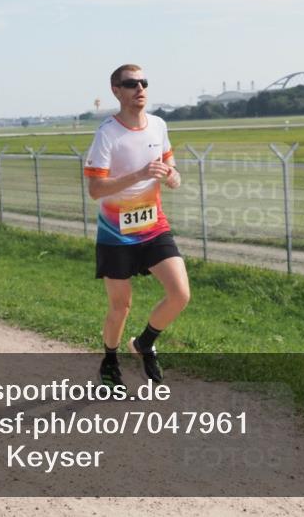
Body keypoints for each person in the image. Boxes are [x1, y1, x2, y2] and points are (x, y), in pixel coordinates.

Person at [84, 64, 190, 388]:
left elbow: (172, 171)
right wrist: (139, 175)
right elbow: (95, 190)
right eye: (131, 83)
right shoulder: (107, 134)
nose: (139, 88)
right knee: (121, 306)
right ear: (116, 91)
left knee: (180, 293)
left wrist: (172, 176)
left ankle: (144, 344)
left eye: (144, 82)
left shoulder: (158, 125)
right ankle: (110, 361)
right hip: (116, 231)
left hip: (153, 225)